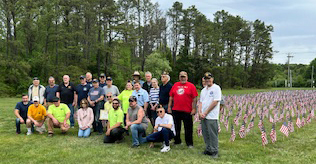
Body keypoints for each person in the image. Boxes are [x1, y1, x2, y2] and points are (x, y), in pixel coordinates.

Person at [168, 71, 198, 148]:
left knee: (188, 128)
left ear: (187, 77)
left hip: (187, 110)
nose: (183, 78)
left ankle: (189, 143)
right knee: (176, 127)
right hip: (176, 109)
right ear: (179, 77)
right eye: (181, 76)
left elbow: (194, 98)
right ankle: (177, 141)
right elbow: (171, 97)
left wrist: (194, 108)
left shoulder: (191, 86)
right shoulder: (175, 85)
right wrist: (169, 107)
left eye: (184, 76)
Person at [198, 72, 222, 158]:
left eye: (209, 79)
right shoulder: (203, 90)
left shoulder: (216, 88)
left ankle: (214, 151)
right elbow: (200, 102)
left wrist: (206, 112)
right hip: (203, 116)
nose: (207, 80)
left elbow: (215, 102)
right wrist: (200, 112)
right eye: (206, 79)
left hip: (212, 116)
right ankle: (208, 149)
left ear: (212, 79)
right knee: (205, 133)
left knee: (212, 134)